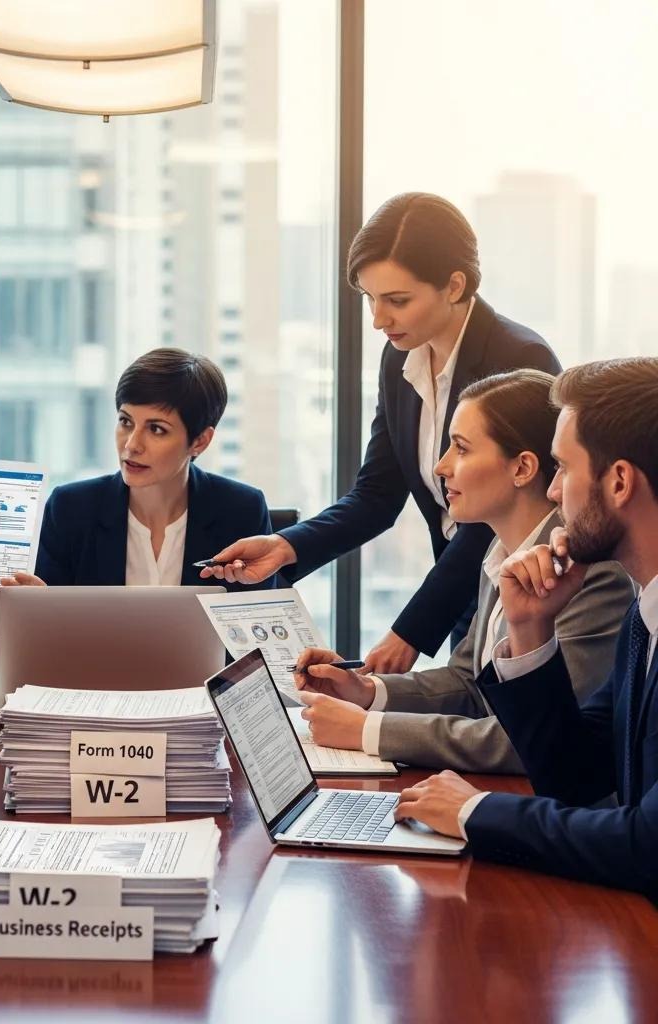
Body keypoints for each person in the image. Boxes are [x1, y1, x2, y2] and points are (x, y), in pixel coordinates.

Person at [201, 193, 561, 672]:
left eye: (397, 300)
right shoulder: (399, 360)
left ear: (454, 285)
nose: (377, 319)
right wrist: (286, 546)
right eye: (370, 299)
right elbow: (376, 495)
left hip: (525, 592)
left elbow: (500, 517)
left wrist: (410, 631)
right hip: (462, 597)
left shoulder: (521, 360)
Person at [389, 358, 658, 900]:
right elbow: (577, 779)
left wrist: (474, 810)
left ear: (620, 481)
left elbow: (646, 845)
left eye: (563, 468)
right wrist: (532, 630)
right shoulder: (643, 616)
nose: (554, 492)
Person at [292, 370, 633, 772]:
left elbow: (538, 738)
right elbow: (468, 683)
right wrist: (366, 690)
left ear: (522, 468)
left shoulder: (590, 575)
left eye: (461, 449)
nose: (440, 467)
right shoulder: (498, 551)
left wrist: (370, 729)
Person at [0, 348, 273, 592]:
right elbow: (48, 635)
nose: (132, 445)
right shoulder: (71, 509)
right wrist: (37, 610)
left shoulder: (241, 510)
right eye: (126, 422)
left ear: (200, 440)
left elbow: (259, 641)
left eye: (156, 429)